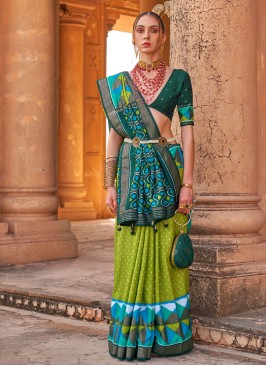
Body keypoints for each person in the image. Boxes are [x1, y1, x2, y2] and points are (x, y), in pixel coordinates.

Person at [97, 11, 195, 361]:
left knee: (165, 250)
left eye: (154, 30)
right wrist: (108, 185)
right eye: (140, 30)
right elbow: (115, 135)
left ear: (163, 36)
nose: (147, 36)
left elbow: (187, 131)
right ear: (133, 37)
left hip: (167, 170)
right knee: (130, 249)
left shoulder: (179, 78)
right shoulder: (120, 83)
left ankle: (165, 336)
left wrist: (188, 183)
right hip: (129, 172)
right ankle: (130, 334)